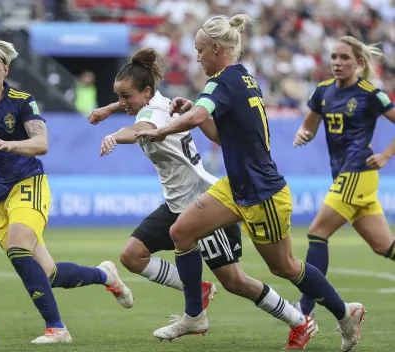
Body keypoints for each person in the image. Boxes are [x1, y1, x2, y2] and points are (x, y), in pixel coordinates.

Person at [135, 16, 366, 352]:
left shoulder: (221, 82)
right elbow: (217, 133)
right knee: (181, 231)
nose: (196, 57)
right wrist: (193, 113)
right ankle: (194, 315)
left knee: (284, 266)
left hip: (263, 193)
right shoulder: (242, 77)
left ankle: (346, 313)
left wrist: (162, 129)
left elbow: (200, 116)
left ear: (216, 48)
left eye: (200, 50)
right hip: (237, 186)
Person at [90, 48, 316, 350]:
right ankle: (199, 291)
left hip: (204, 204)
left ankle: (299, 320)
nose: (122, 103)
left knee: (236, 281)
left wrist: (115, 135)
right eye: (119, 97)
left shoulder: (152, 115)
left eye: (125, 97)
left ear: (145, 91)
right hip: (176, 204)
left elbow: (139, 129)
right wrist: (109, 109)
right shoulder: (159, 100)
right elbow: (136, 108)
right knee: (132, 256)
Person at [0, 40, 133, 344]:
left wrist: (11, 144)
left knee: (17, 246)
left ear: (5, 70)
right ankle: (105, 276)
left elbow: (41, 143)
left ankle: (57, 329)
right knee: (47, 274)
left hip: (27, 182)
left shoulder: (22, 101)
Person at [293, 35, 395, 318]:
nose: (337, 63)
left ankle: (305, 309)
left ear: (359, 64)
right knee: (383, 246)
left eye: (345, 58)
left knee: (317, 232)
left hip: (357, 172)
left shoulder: (371, 94)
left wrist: (386, 155)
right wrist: (303, 134)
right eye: (334, 57)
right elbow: (309, 127)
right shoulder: (322, 91)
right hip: (343, 175)